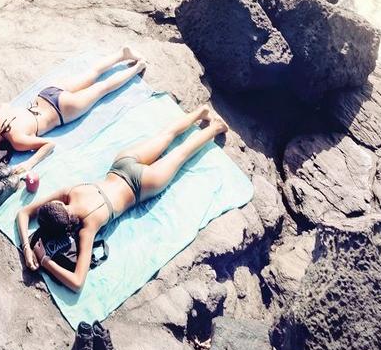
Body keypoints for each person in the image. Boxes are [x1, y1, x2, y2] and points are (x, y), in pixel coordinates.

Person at [15, 104, 229, 296]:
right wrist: (27, 247)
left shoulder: (88, 228)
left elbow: (77, 282)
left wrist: (41, 257)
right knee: (167, 134)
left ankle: (215, 128)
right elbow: (24, 213)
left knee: (181, 154)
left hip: (143, 185)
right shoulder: (71, 192)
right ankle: (199, 112)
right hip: (122, 165)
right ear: (59, 205)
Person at [0, 50, 146, 175]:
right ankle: (123, 53)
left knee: (103, 88)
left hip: (63, 110)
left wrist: (29, 164)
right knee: (92, 72)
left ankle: (137, 67)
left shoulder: (17, 140)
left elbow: (49, 144)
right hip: (46, 94)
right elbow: (2, 105)